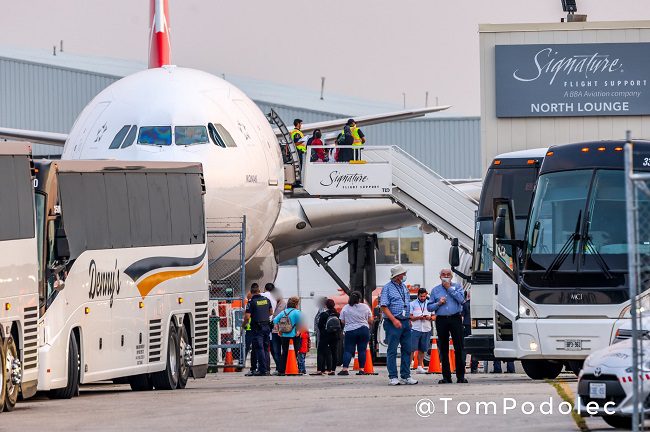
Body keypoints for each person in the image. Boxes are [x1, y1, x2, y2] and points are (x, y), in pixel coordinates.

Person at [428, 269, 468, 384]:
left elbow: (462, 300)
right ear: (439, 276)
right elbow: (429, 307)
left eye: (448, 275)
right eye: (443, 275)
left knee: (459, 348)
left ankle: (461, 376)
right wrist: (438, 303)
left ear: (452, 276)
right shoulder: (435, 290)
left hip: (455, 318)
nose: (446, 276)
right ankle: (446, 377)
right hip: (441, 319)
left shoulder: (458, 287)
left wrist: (449, 288)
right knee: (443, 348)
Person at [380, 264, 418, 386]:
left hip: (405, 321)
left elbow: (406, 304)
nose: (405, 275)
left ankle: (406, 375)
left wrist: (408, 319)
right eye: (403, 274)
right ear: (397, 276)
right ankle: (393, 376)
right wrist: (394, 320)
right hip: (393, 322)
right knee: (392, 350)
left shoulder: (404, 288)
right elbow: (384, 306)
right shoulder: (387, 288)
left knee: (407, 349)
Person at [338, 292, 373, 375]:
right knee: (362, 350)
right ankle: (361, 370)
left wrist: (350, 321)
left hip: (350, 331)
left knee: (348, 350)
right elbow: (370, 320)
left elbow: (342, 320)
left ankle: (345, 369)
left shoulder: (346, 307)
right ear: (360, 299)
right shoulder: (365, 307)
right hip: (364, 330)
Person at [242, 283, 273, 376]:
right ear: (259, 291)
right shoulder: (266, 300)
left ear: (251, 292)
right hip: (266, 326)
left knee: (259, 348)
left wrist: (243, 325)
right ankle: (267, 369)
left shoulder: (251, 302)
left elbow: (247, 317)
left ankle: (262, 370)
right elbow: (271, 312)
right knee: (266, 348)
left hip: (257, 328)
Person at [272, 296, 303, 375]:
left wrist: (278, 329)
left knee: (284, 352)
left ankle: (281, 370)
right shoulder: (297, 312)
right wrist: (298, 331)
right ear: (296, 304)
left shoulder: (284, 312)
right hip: (294, 336)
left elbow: (275, 320)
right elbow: (300, 323)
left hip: (284, 336)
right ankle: (292, 368)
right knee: (294, 353)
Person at [410, 287, 434, 374]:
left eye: (424, 296)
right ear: (418, 295)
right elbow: (410, 317)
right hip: (415, 329)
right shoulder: (412, 304)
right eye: (421, 296)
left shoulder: (430, 304)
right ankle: (408, 367)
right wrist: (419, 317)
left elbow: (435, 317)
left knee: (422, 349)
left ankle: (420, 367)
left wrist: (430, 318)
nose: (423, 298)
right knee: (411, 349)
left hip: (426, 329)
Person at [315, 298, 340, 375]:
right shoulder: (337, 314)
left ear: (326, 305)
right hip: (335, 336)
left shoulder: (324, 314)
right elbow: (341, 325)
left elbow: (319, 325)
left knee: (321, 352)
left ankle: (320, 370)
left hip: (325, 336)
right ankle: (332, 370)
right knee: (334, 352)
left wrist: (323, 332)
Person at [462, 289, 479, 374]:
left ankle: (463, 366)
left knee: (464, 347)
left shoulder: (465, 304)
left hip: (467, 325)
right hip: (476, 325)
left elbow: (462, 315)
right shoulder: (478, 304)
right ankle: (474, 367)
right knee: (475, 347)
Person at [243, 288, 257, 376]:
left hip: (250, 329)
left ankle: (243, 363)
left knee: (247, 347)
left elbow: (247, 317)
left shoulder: (250, 304)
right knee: (253, 348)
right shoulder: (253, 303)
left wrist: (243, 325)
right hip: (253, 328)